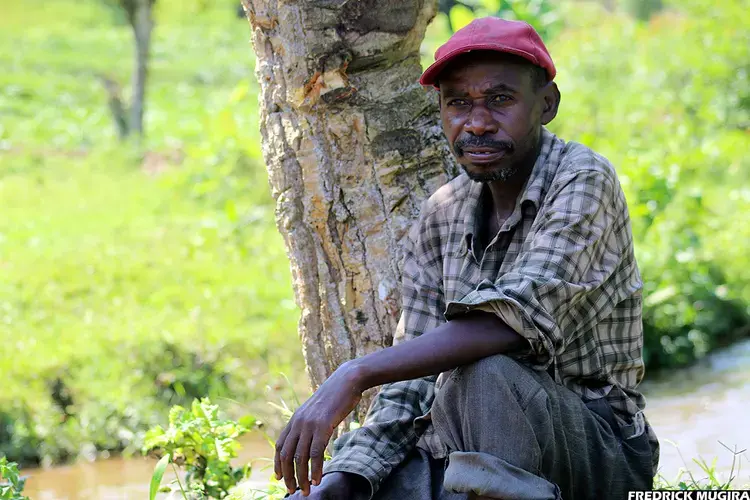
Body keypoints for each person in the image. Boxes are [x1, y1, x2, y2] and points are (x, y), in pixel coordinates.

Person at [274, 17, 659, 500]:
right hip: (469, 450)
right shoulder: (443, 213)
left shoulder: (582, 180)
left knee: (483, 371)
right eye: (458, 103)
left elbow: (510, 323)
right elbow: (409, 389)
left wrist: (356, 372)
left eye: (500, 100)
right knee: (343, 493)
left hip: (598, 454)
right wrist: (342, 480)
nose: (476, 123)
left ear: (547, 104)